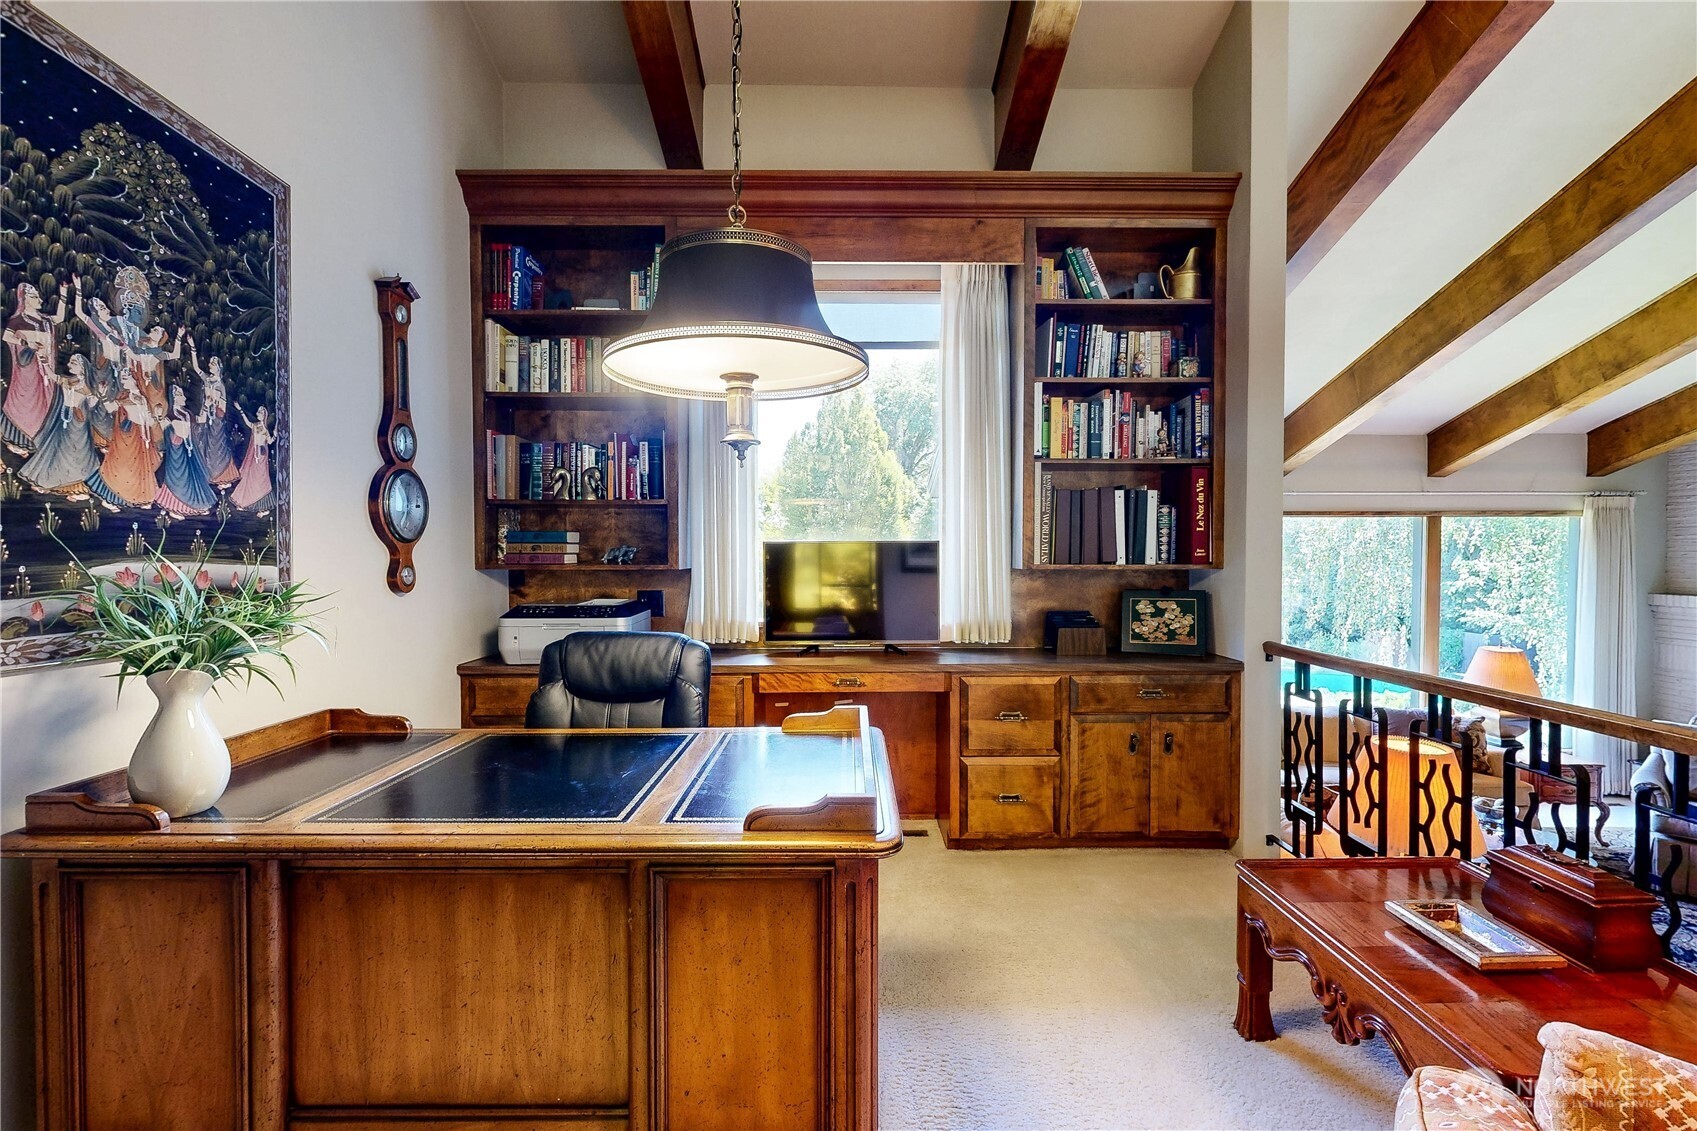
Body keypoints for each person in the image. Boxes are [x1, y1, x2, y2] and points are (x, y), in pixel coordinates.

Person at [19, 354, 101, 496]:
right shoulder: (69, 381)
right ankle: (52, 480)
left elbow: (94, 404)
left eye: (73, 363)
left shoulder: (88, 387)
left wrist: (95, 398)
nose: (69, 365)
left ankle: (74, 484)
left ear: (82, 367)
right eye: (70, 362)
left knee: (74, 452)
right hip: (63, 419)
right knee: (57, 449)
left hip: (78, 423)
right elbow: (53, 376)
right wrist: (45, 363)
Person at [2, 281, 69, 453]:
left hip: (46, 370)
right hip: (28, 370)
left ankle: (42, 438)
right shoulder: (17, 320)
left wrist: (63, 294)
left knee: (46, 401)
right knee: (26, 402)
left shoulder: (46, 320)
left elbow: (59, 318)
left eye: (38, 295)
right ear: (24, 299)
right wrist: (27, 342)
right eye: (33, 296)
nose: (38, 299)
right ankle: (21, 439)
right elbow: (7, 337)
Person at [85, 370, 160, 510]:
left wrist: (154, 418)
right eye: (122, 378)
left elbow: (148, 420)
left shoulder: (142, 398)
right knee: (122, 468)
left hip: (140, 438)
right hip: (125, 437)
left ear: (135, 379)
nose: (123, 381)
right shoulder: (123, 396)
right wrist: (103, 395)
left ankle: (139, 496)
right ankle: (113, 499)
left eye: (126, 378)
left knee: (139, 469)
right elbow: (111, 408)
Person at [154, 384, 216, 516]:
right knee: (179, 480)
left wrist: (206, 405)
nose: (183, 397)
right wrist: (158, 417)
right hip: (177, 453)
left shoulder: (187, 414)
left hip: (190, 450)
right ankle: (175, 508)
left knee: (193, 478)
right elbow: (163, 429)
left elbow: (200, 421)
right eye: (179, 395)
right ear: (174, 398)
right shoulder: (170, 415)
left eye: (182, 394)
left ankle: (196, 505)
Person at [184, 338, 239, 487]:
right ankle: (206, 473)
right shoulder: (207, 379)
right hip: (205, 416)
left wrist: (213, 409)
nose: (210, 365)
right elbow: (196, 368)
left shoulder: (220, 386)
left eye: (213, 364)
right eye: (210, 363)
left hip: (216, 420)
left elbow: (223, 407)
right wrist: (193, 346)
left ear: (219, 367)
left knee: (216, 447)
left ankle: (221, 476)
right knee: (202, 443)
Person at [230, 401, 274, 513]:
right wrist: (240, 410)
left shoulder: (265, 429)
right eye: (258, 411)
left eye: (261, 412)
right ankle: (244, 501)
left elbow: (269, 441)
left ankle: (263, 507)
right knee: (250, 478)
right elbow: (248, 423)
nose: (258, 413)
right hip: (254, 456)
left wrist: (275, 434)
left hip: (262, 457)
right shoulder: (256, 426)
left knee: (261, 481)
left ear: (265, 416)